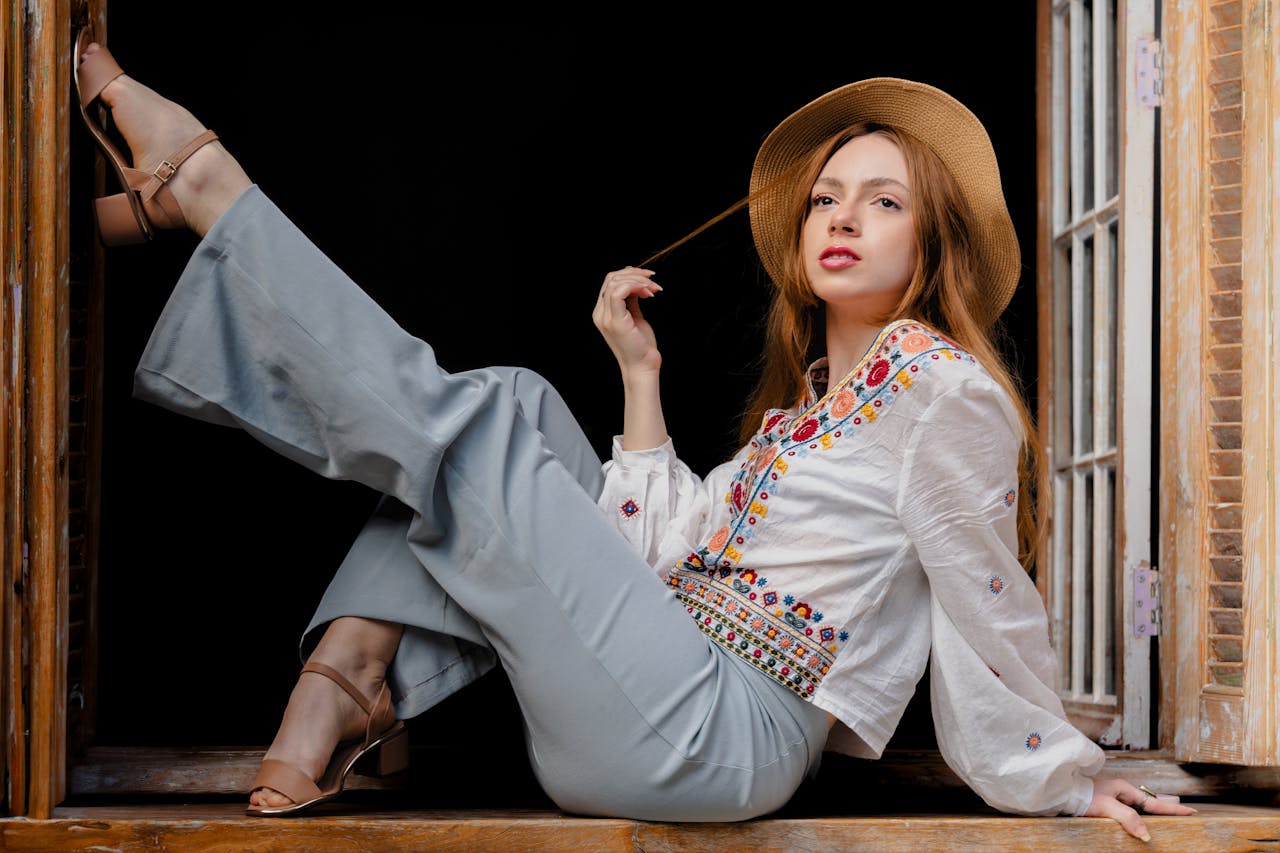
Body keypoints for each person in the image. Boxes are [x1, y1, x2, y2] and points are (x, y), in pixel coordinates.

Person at [72, 27, 1195, 840]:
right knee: (516, 400)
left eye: (884, 201)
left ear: (930, 241)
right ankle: (352, 677)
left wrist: (1063, 773)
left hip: (725, 738)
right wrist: (639, 376)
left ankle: (208, 191)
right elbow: (659, 555)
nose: (843, 216)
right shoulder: (802, 418)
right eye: (826, 196)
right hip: (654, 698)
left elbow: (982, 587)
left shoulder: (939, 387)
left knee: (480, 434)